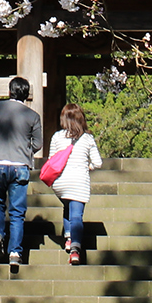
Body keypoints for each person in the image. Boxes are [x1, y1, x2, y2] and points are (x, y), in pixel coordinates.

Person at [0, 76, 40, 265]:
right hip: (20, 166)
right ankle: (15, 253)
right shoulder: (33, 116)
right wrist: (25, 150)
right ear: (26, 95)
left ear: (9, 91)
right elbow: (38, 143)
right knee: (17, 212)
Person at [47, 103, 103, 264]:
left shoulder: (57, 137)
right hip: (78, 181)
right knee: (76, 215)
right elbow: (98, 163)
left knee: (67, 205)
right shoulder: (87, 138)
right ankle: (75, 250)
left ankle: (68, 238)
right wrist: (88, 166)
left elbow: (52, 160)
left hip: (61, 183)